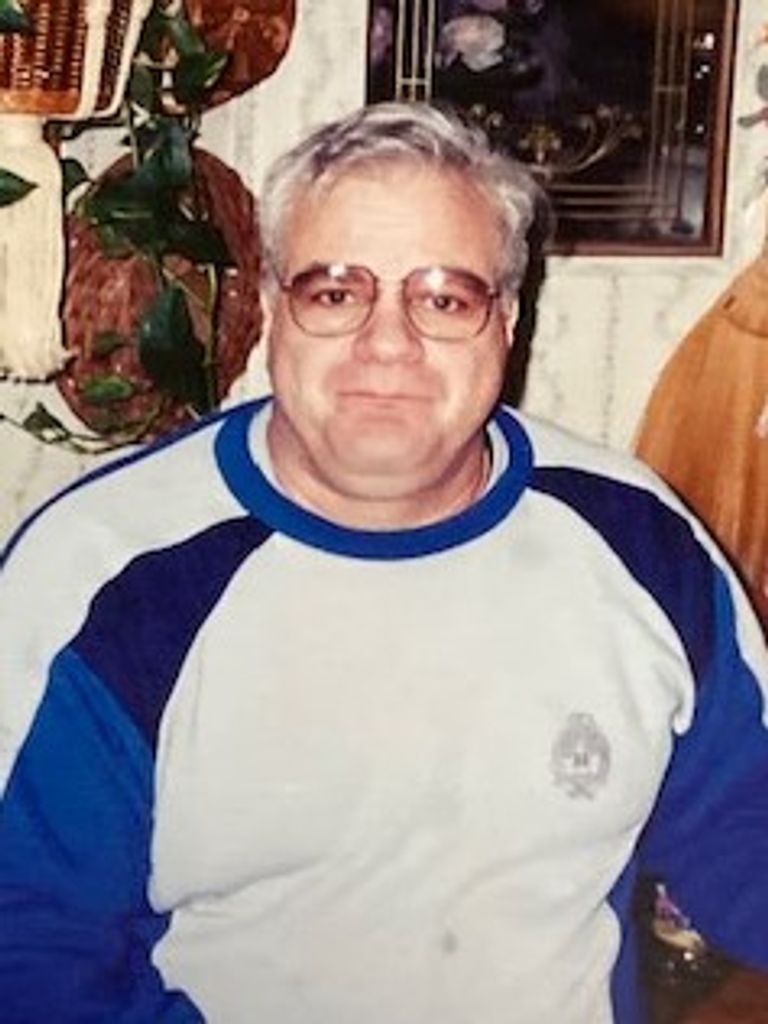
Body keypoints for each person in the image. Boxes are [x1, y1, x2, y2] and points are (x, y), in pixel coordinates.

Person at [1, 102, 767, 1024]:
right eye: (336, 292)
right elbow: (32, 956)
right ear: (273, 308)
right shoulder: (101, 577)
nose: (388, 343)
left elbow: (744, 824)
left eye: (444, 298)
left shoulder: (642, 541)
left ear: (507, 322)